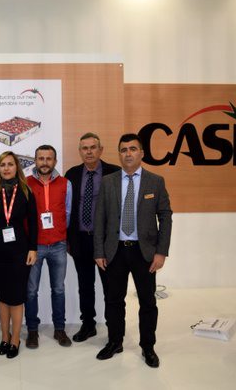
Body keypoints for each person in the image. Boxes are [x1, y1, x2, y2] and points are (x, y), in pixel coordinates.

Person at [94, 133, 172, 367]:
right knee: (113, 300)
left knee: (147, 302)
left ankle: (148, 347)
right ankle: (115, 341)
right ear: (119, 154)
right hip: (114, 251)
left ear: (141, 153)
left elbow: (165, 217)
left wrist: (161, 252)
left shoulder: (155, 181)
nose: (128, 153)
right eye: (123, 149)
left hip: (144, 252)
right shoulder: (108, 182)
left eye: (132, 149)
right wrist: (99, 251)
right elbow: (100, 219)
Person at [0, 151, 38, 359]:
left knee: (16, 298)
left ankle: (15, 339)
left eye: (10, 164)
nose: (6, 168)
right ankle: (5, 338)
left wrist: (33, 249)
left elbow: (33, 223)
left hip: (20, 252)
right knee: (3, 296)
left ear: (17, 167)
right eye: (2, 165)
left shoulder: (26, 191)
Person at [65, 133, 120, 342]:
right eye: (84, 148)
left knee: (110, 287)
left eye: (93, 147)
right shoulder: (72, 174)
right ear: (80, 151)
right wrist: (68, 239)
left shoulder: (114, 173)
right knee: (85, 286)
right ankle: (88, 325)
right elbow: (67, 209)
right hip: (80, 240)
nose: (89, 151)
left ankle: (114, 327)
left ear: (100, 150)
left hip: (106, 242)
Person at [25, 145, 73, 349]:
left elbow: (68, 212)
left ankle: (59, 329)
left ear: (55, 161)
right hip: (34, 246)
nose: (45, 162)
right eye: (41, 158)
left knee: (58, 289)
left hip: (58, 245)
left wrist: (59, 232)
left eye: (49, 158)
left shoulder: (66, 184)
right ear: (35, 161)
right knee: (31, 291)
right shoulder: (25, 183)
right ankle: (32, 331)